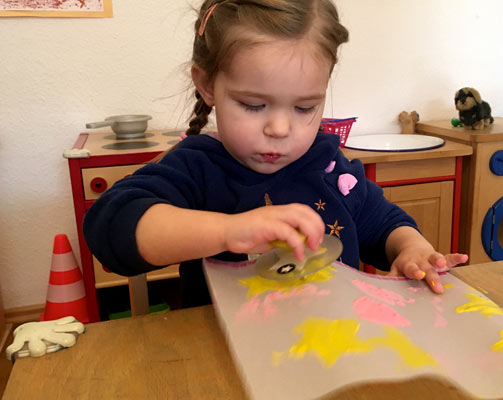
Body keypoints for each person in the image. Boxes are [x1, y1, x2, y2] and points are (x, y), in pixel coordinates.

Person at [83, 0, 467, 307]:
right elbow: (112, 228)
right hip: (228, 358)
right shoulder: (198, 166)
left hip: (332, 344)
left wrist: (412, 249)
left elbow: (381, 222)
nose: (280, 130)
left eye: (304, 108)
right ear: (207, 85)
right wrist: (228, 231)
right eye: (253, 104)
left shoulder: (329, 164)